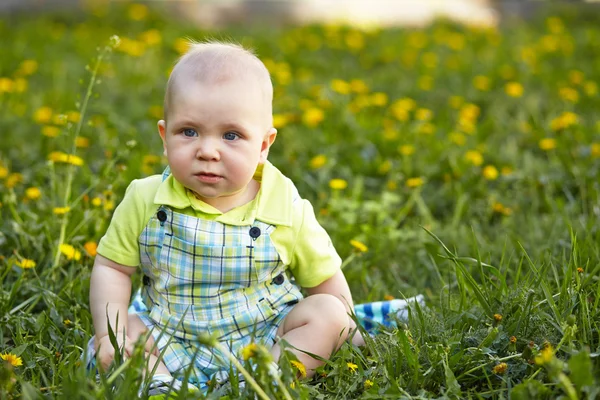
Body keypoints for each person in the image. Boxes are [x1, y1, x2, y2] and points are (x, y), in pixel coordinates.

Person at [88, 40, 365, 393]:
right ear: (164, 136)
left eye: (231, 135)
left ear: (263, 146)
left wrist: (343, 326)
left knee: (328, 312)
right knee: (127, 329)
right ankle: (162, 387)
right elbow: (113, 268)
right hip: (170, 335)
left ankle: (267, 382)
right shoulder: (145, 198)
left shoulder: (284, 205)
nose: (207, 150)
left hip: (266, 337)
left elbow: (325, 280)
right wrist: (109, 332)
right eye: (188, 132)